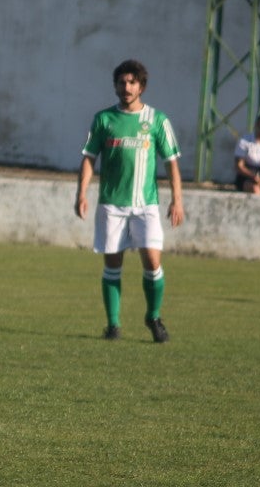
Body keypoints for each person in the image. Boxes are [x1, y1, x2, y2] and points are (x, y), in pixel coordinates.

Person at [75, 59, 185, 343]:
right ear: (115, 86)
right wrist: (82, 193)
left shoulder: (157, 121)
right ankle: (113, 325)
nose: (126, 87)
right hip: (111, 203)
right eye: (122, 82)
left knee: (152, 261)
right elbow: (89, 157)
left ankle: (154, 316)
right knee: (113, 264)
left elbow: (172, 163)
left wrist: (177, 200)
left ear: (142, 86)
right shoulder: (104, 119)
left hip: (146, 205)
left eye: (132, 82)